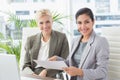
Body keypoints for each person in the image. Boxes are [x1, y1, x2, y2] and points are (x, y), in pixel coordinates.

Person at [49, 7, 109, 80]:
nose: (83, 26)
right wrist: (57, 59)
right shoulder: (75, 41)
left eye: (86, 22)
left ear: (93, 22)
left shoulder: (100, 41)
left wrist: (80, 72)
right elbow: (70, 63)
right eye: (79, 23)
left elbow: (102, 72)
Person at [22, 9, 69, 79]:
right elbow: (26, 65)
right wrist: (32, 74)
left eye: (47, 22)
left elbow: (65, 62)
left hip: (53, 74)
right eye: (41, 23)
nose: (45, 26)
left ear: (52, 22)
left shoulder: (61, 37)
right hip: (34, 75)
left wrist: (46, 71)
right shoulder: (30, 40)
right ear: (37, 24)